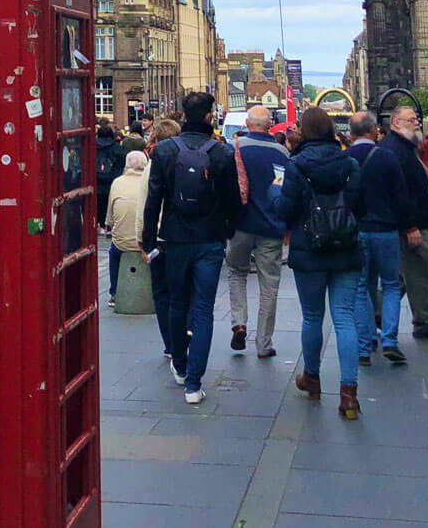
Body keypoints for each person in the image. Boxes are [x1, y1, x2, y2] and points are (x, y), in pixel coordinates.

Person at [141, 91, 240, 405]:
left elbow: (153, 200)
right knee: (203, 312)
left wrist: (148, 241)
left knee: (177, 304)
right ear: (210, 117)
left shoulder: (166, 151)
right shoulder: (221, 153)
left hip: (174, 240)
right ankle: (194, 385)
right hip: (209, 241)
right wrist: (229, 231)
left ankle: (180, 366)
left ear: (183, 114)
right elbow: (233, 201)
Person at [270, 106, 364, 419]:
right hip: (346, 247)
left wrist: (274, 194)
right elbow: (359, 204)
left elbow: (285, 209)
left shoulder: (295, 165)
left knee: (312, 316)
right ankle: (349, 395)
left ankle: (312, 378)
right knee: (344, 317)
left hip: (310, 249)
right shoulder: (350, 163)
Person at [381, 104, 428, 341]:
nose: (416, 123)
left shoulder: (403, 147)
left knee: (406, 275)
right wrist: (410, 226)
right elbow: (400, 192)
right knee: (419, 273)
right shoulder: (396, 150)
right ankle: (424, 320)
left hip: (415, 222)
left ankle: (374, 311)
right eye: (411, 120)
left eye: (416, 119)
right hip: (412, 225)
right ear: (395, 123)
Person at [346, 110, 409, 365]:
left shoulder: (346, 157)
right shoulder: (387, 157)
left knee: (361, 287)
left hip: (358, 230)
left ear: (351, 133)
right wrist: (408, 227)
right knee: (391, 284)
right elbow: (401, 197)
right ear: (373, 130)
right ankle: (390, 340)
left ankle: (365, 345)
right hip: (386, 229)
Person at [226, 105, 286, 358]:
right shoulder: (282, 153)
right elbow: (281, 190)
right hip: (271, 226)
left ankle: (239, 322)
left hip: (240, 223)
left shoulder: (235, 149)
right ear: (269, 125)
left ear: (248, 124)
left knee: (236, 271)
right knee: (269, 284)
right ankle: (263, 343)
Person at [143, 117, 180, 357]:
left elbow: (143, 207)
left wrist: (145, 243)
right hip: (182, 237)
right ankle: (184, 337)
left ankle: (171, 344)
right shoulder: (188, 158)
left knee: (162, 294)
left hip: (158, 239)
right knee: (181, 292)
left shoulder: (152, 165)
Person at [104, 150, 149, 307]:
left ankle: (114, 292)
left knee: (113, 252)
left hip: (121, 243)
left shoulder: (117, 182)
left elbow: (109, 219)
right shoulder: (150, 182)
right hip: (145, 243)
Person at [96, 122, 123, 232]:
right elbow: (121, 164)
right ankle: (108, 225)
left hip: (96, 181)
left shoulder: (91, 146)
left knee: (98, 204)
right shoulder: (116, 148)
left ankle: (99, 224)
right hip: (112, 181)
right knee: (110, 203)